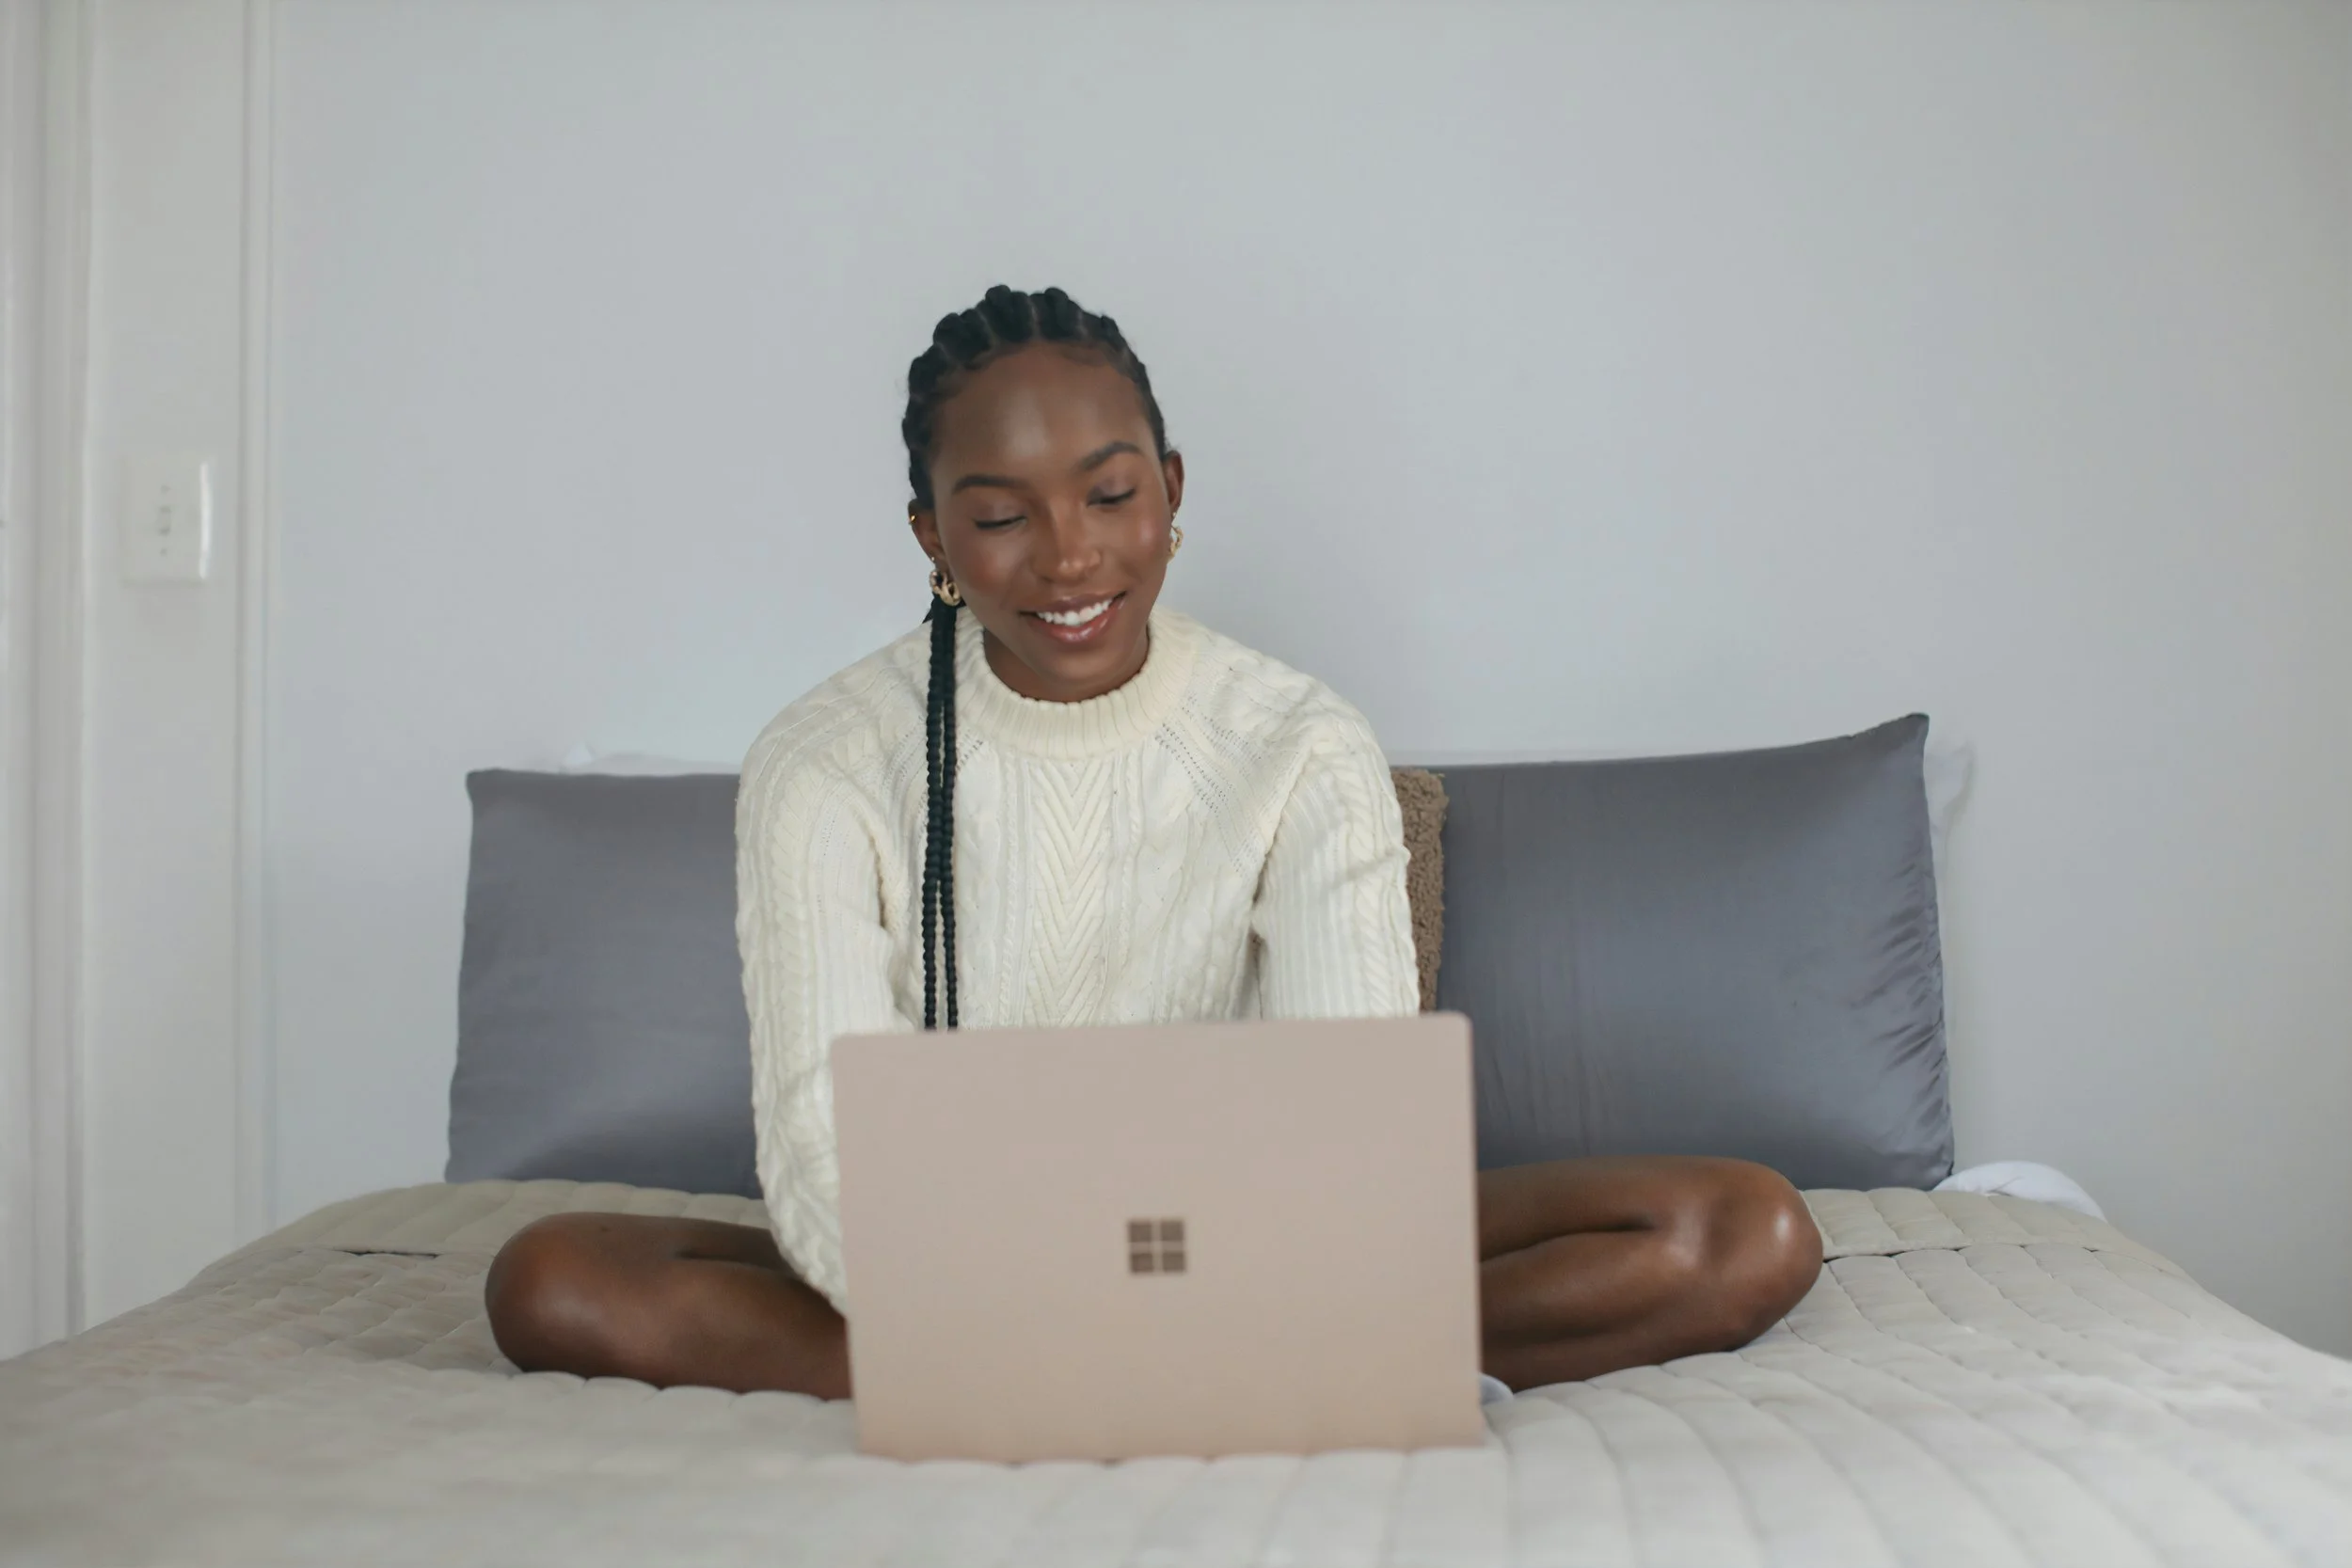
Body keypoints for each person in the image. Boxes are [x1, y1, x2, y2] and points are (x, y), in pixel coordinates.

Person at [485, 286, 1821, 1401]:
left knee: (1741, 1232)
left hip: (1247, 1237)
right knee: (549, 1278)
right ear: (934, 536)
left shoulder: (1299, 740)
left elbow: (1346, 1119)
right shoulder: (823, 760)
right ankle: (1236, 1373)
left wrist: (1206, 1277)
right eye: (1002, 514)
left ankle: (1105, 1373)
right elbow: (825, 1144)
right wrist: (1023, 1293)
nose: (1069, 557)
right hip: (960, 1244)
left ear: (1170, 492)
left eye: (1109, 495)